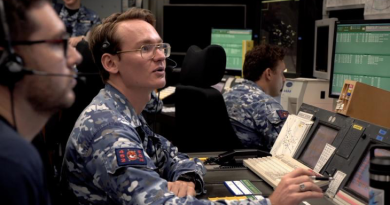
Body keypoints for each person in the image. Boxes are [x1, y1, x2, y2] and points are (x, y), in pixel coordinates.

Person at [62, 7, 323, 205]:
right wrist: (270, 202)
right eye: (145, 48)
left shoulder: (128, 115)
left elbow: (176, 157)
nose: (160, 56)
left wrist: (187, 177)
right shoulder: (108, 128)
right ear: (111, 63)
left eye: (160, 46)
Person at [0, 0, 82, 204]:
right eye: (57, 43)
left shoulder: (29, 145)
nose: (76, 57)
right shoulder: (10, 162)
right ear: (9, 60)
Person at [223, 44, 289, 152]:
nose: (284, 79)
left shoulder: (227, 95)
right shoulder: (266, 105)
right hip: (256, 165)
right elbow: (289, 148)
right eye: (282, 73)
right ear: (268, 74)